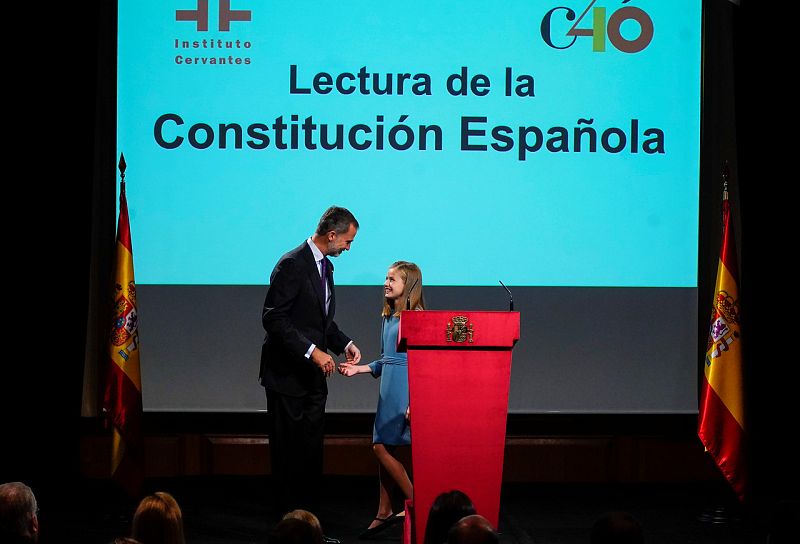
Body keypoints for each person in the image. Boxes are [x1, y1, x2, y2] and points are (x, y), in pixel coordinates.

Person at [259, 206, 362, 524]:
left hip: (313, 383)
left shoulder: (326, 268)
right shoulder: (292, 264)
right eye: (347, 241)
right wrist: (312, 352)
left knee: (310, 457)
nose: (348, 248)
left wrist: (344, 343)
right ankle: (287, 529)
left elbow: (320, 321)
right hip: (287, 379)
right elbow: (273, 318)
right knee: (289, 458)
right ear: (332, 235)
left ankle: (309, 528)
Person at [338, 261, 425, 539]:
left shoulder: (417, 317)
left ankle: (420, 505)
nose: (386, 283)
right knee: (386, 448)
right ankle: (384, 511)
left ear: (408, 285)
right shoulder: (389, 317)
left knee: (379, 448)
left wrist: (416, 401)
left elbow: (423, 364)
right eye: (386, 278)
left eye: (393, 279)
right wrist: (359, 369)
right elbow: (386, 359)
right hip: (388, 390)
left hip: (404, 391)